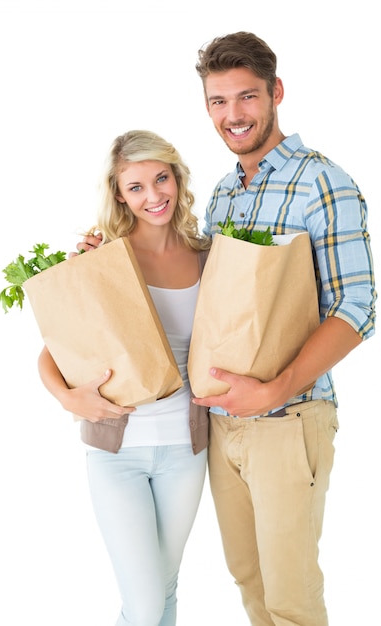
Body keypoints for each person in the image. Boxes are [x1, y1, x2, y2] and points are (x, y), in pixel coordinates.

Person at [75, 32, 377, 626]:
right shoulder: (223, 197)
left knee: (290, 598)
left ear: (275, 94)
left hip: (288, 420)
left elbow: (359, 306)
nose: (233, 115)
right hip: (217, 427)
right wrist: (103, 262)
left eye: (246, 97)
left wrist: (276, 388)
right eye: (219, 101)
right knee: (250, 584)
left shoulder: (322, 182)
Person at [38, 129, 211, 626]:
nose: (153, 196)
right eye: (136, 187)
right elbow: (51, 356)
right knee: (143, 602)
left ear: (177, 179)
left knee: (165, 588)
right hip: (118, 454)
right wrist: (70, 399)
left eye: (161, 179)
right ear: (118, 193)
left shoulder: (206, 255)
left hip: (188, 449)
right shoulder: (105, 260)